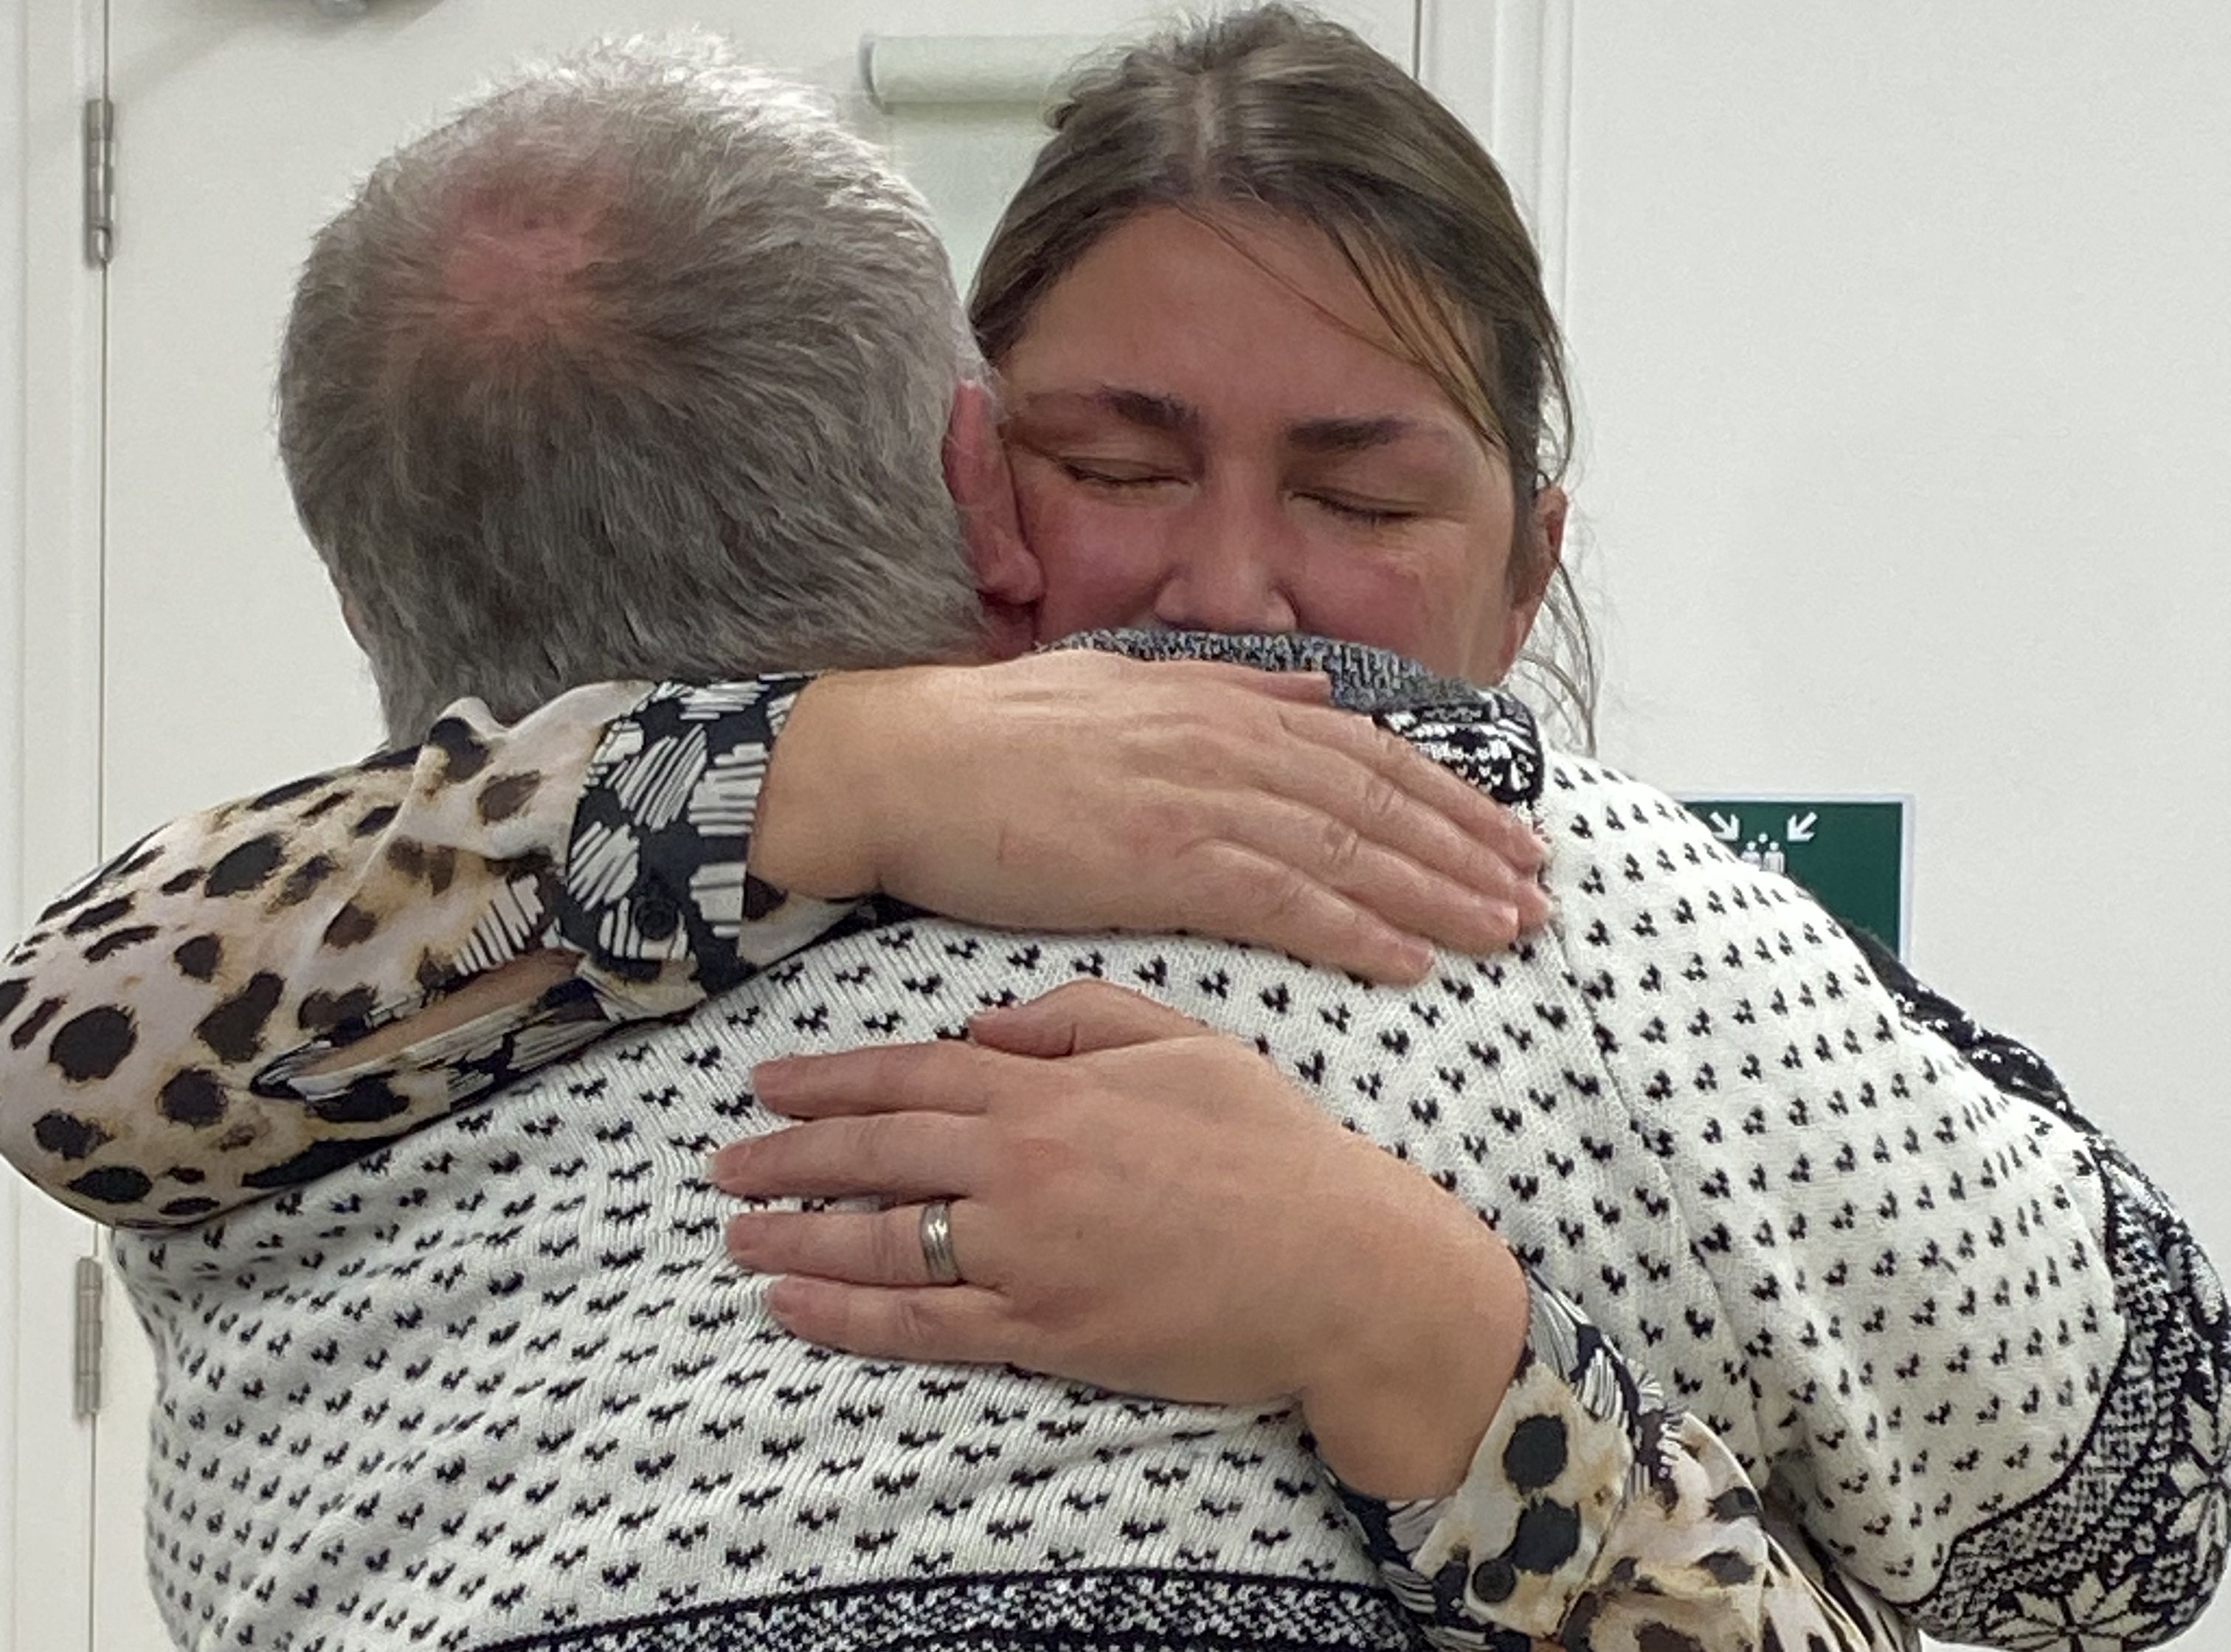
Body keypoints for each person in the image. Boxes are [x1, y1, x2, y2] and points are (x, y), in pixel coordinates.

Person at [1, 10, 2221, 1651]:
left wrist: (1412, 1330)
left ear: (1529, 572)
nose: (1228, 597)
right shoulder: (447, 929)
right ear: (964, 469)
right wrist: (848, 767)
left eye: (1357, 499)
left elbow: (2146, 1507)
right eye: (1118, 465)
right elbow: (69, 1032)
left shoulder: (1531, 900)